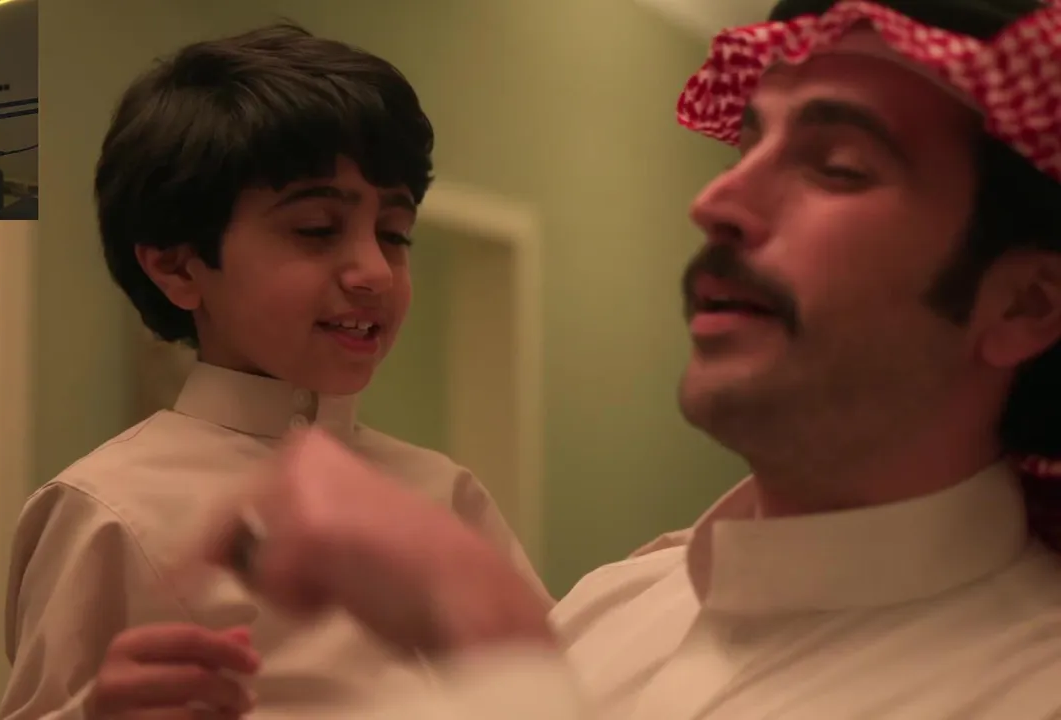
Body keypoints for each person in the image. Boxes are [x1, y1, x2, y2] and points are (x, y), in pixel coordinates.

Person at [189, 0, 1061, 718]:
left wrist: (488, 636)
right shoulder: (615, 606)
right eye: (747, 145)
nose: (717, 199)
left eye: (837, 166)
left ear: (1025, 304)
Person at [0, 24, 550, 720]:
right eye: (317, 229)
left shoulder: (447, 494)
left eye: (394, 233)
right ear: (176, 265)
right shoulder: (106, 508)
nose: (376, 272)